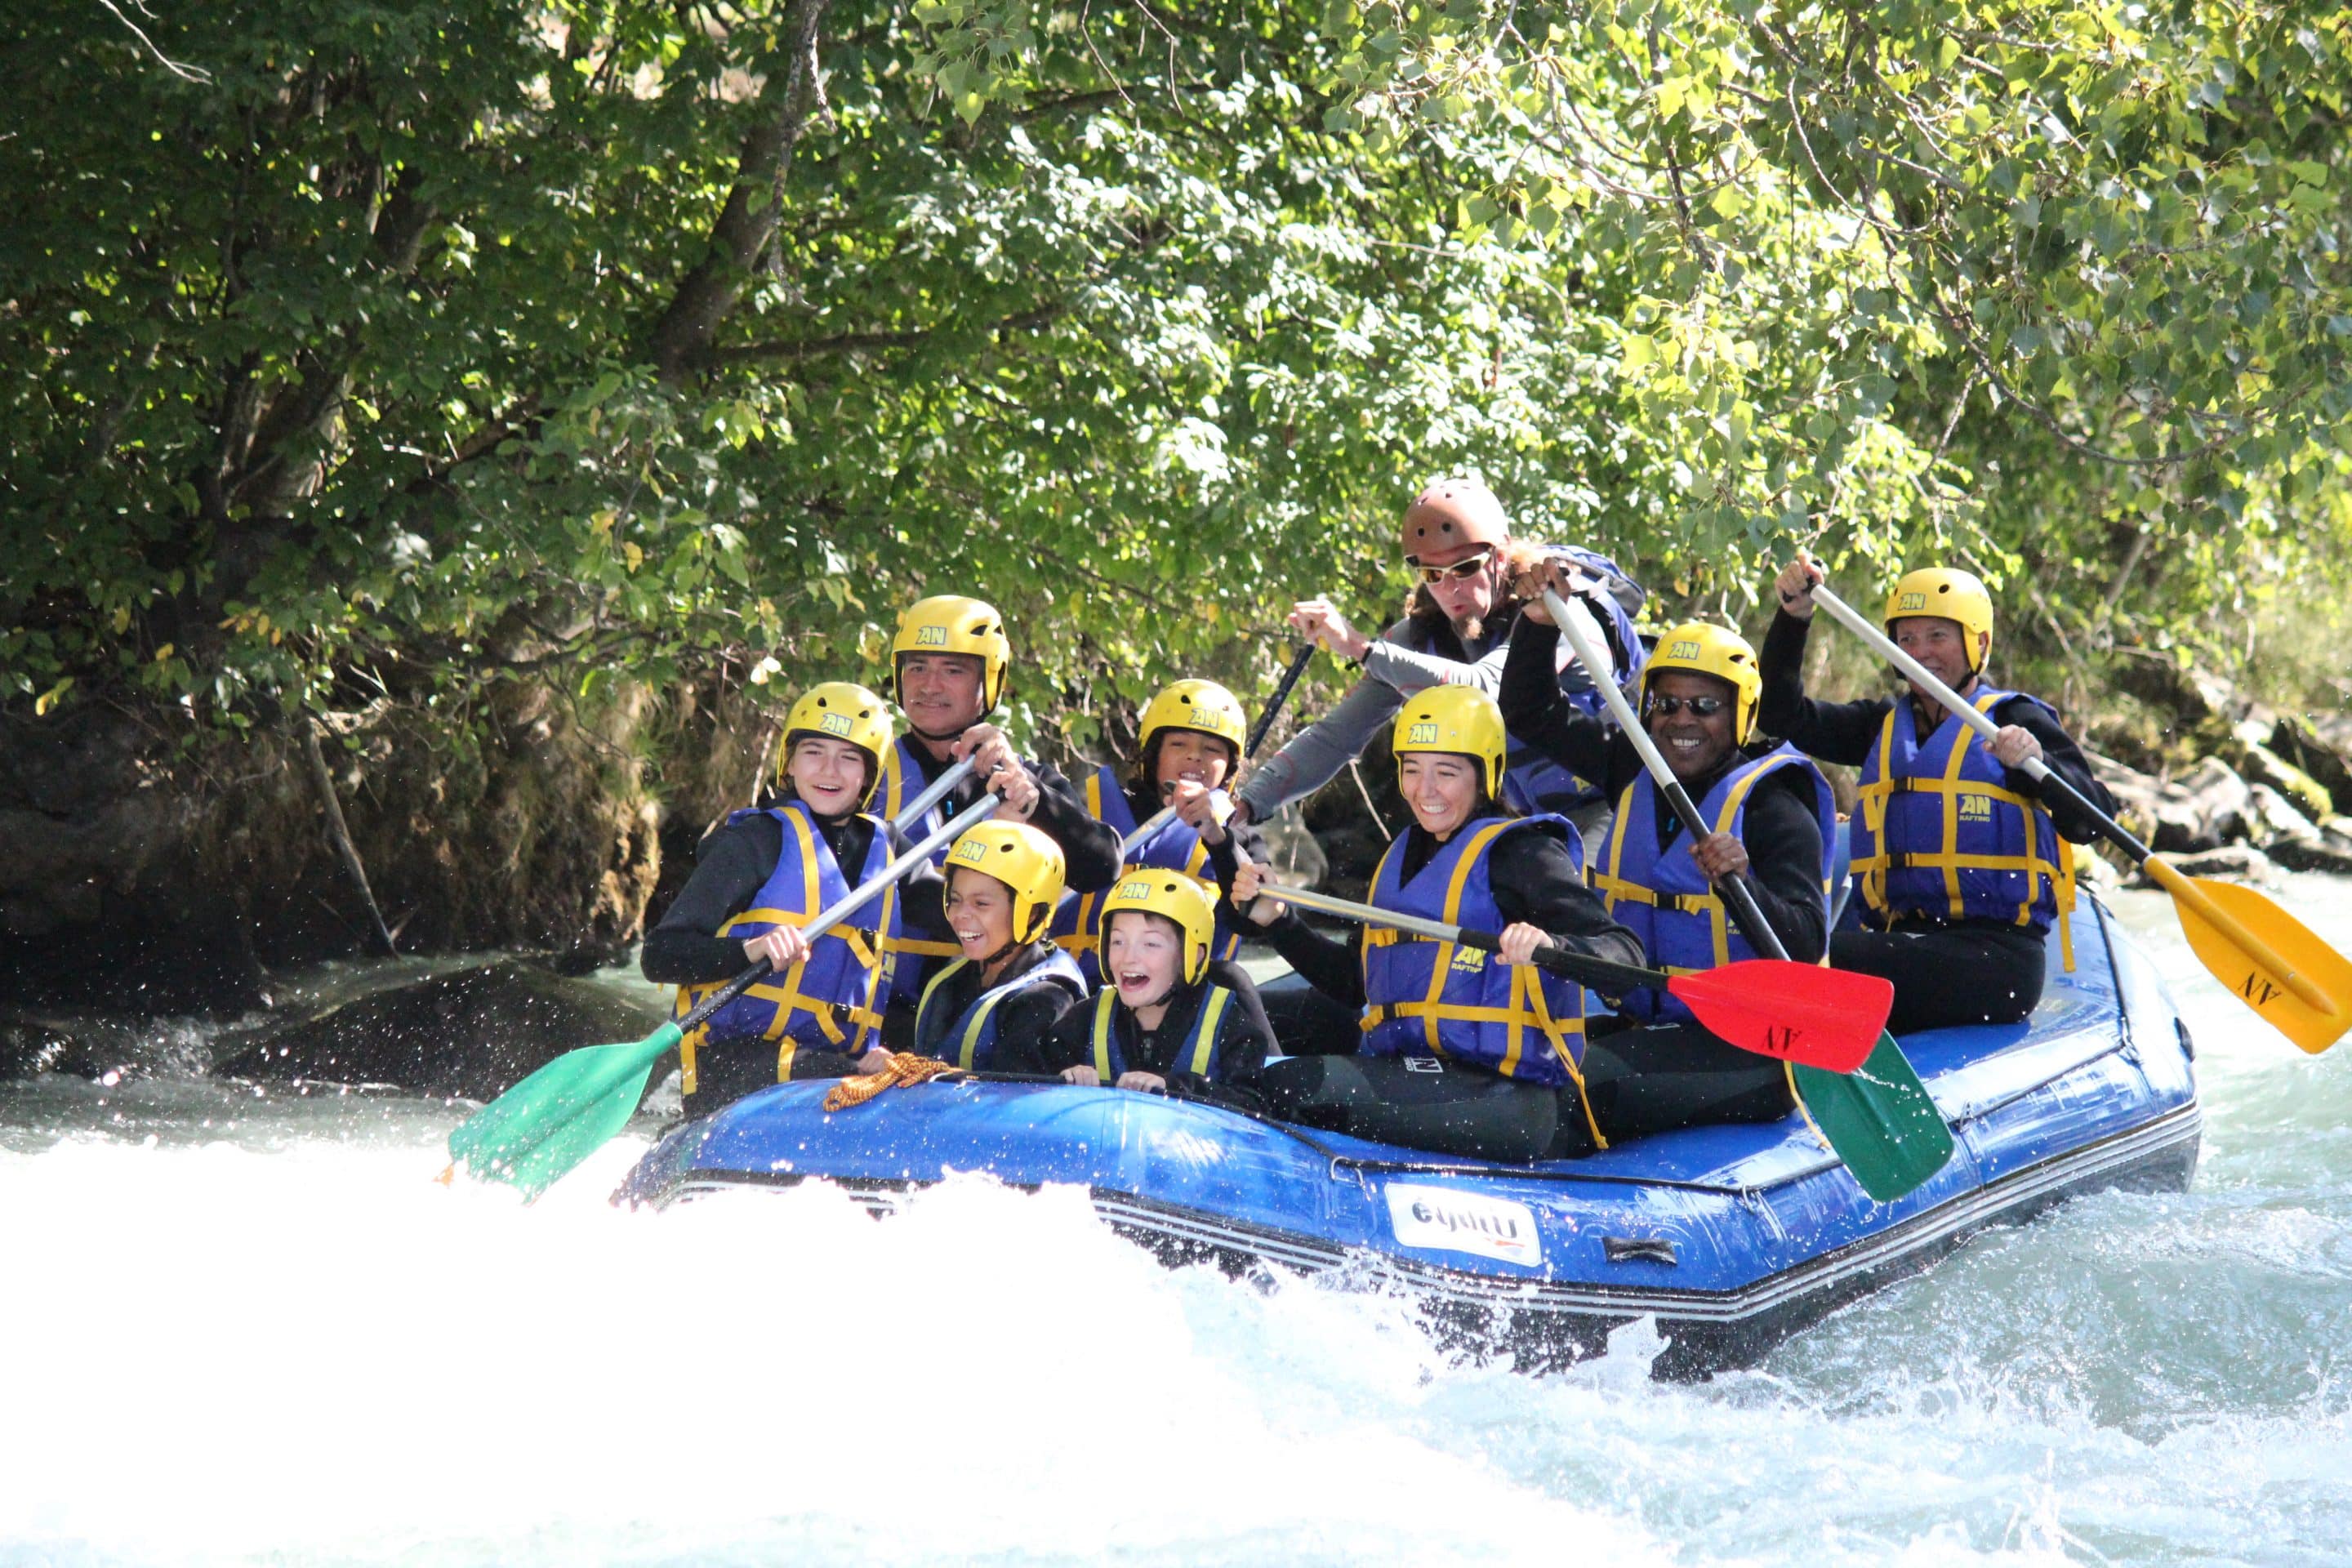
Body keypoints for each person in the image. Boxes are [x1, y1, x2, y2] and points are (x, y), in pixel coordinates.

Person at [1231, 687, 1648, 1162]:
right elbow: (1355, 982)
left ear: (1486, 775)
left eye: (1446, 772)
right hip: (1420, 1070)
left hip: (1508, 1097)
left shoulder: (1523, 853)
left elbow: (1625, 953)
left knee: (1293, 1086)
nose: (1424, 790)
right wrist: (1279, 922)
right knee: (1235, 1022)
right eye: (1412, 770)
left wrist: (1551, 944)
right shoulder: (1405, 855)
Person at [1500, 599, 1834, 1152]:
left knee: (1577, 1081)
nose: (1682, 719)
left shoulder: (1774, 804)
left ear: (1741, 713)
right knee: (1519, 1052)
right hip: (1650, 1025)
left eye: (1705, 705)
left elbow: (1802, 947)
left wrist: (1742, 882)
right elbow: (1529, 711)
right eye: (1667, 703)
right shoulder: (1635, 768)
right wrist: (1535, 624)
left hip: (1751, 1047)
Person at [1762, 554, 2116, 1034]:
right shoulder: (1882, 725)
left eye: (1937, 636)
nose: (1921, 651)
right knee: (1790, 949)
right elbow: (1781, 716)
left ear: (1978, 644)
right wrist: (1793, 617)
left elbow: (2093, 821)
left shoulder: (2013, 722)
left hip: (1996, 961)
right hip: (1905, 942)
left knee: (1810, 956)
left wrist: (2038, 765)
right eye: (1907, 638)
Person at [1229, 478, 1647, 841]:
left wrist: (1360, 649)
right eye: (1432, 575)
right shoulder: (1417, 638)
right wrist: (1247, 804)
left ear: (1500, 558)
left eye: (1465, 569)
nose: (1449, 590)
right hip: (1529, 818)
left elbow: (1487, 691)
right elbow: (1335, 738)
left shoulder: (1557, 607)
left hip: (1617, 801)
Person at [641, 683, 963, 1116]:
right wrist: (749, 951)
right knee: (865, 1088)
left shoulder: (886, 851)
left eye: (849, 757)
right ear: (789, 762)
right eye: (814, 752)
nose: (829, 771)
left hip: (829, 1067)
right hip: (734, 1066)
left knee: (915, 1082)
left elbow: (965, 910)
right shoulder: (754, 842)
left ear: (868, 775)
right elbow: (661, 955)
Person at [868, 594, 1122, 1000]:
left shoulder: (1027, 783)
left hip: (989, 1008)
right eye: (917, 668)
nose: (930, 685)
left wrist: (1037, 805)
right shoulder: (861, 776)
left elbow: (1101, 866)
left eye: (952, 670)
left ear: (989, 681)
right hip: (882, 1009)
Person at [1046, 678, 1270, 984]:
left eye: (1212, 749)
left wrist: (1217, 839)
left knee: (1235, 980)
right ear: (1152, 755)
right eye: (1179, 744)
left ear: (1230, 767)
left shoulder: (1238, 838)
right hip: (1079, 988)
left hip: (1180, 1000)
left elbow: (1254, 920)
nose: (1195, 756)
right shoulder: (1089, 813)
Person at [1047, 872, 1274, 1098]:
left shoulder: (1229, 1025)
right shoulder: (1084, 1020)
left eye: (1151, 944)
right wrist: (1066, 1081)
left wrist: (1176, 1088)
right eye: (1118, 941)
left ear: (1193, 954)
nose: (1128, 957)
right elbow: (1031, 1086)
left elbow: (1254, 1106)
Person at [893, 819, 1088, 1072]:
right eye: (955, 899)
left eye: (981, 904)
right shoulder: (956, 978)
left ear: (1031, 914)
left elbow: (1013, 1096)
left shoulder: (1045, 999)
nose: (961, 914)